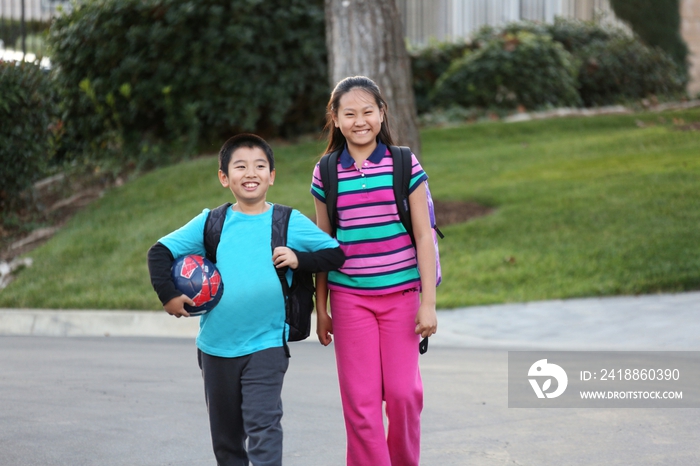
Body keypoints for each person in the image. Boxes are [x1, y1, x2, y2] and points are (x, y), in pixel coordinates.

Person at [147, 133, 344, 466]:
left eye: (259, 166)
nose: (250, 173)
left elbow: (334, 254)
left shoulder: (287, 221)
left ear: (272, 176)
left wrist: (299, 259)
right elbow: (160, 252)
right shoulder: (212, 222)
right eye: (240, 166)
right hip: (215, 347)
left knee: (264, 426)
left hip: (266, 344)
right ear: (224, 178)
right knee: (226, 441)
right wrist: (168, 295)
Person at [310, 76, 438, 466]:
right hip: (350, 300)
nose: (359, 121)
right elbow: (323, 246)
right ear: (335, 118)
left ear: (382, 114)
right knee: (361, 403)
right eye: (349, 113)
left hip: (402, 298)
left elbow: (423, 235)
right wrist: (322, 308)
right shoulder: (326, 171)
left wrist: (428, 303)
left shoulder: (403, 162)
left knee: (402, 395)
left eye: (368, 111)